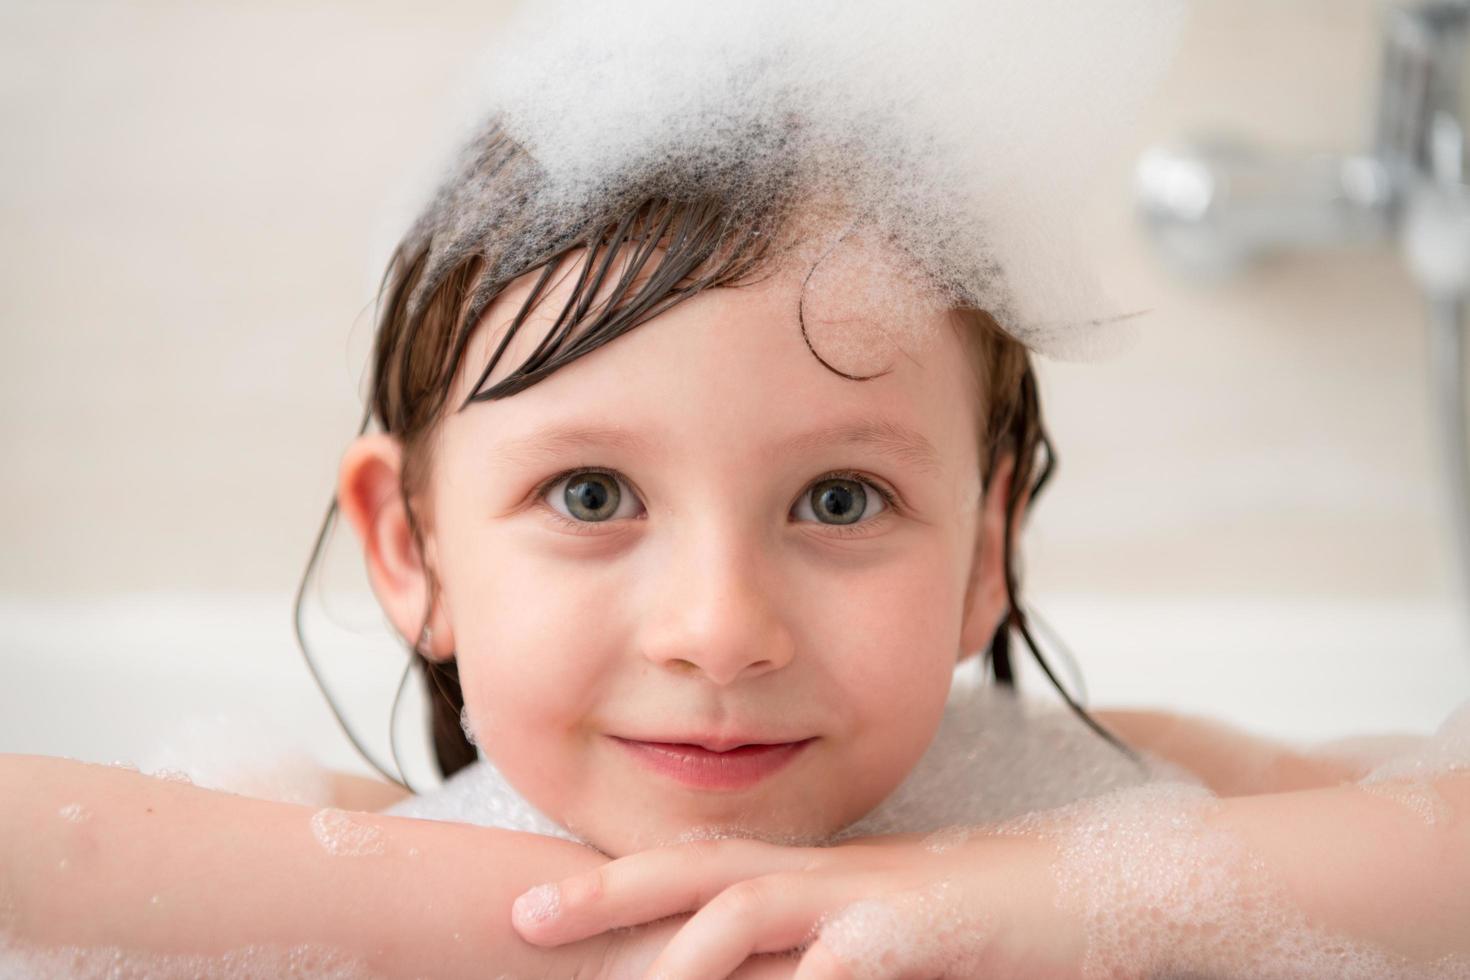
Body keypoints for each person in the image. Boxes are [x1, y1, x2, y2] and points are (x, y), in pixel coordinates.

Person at [5, 2, 1468, 976]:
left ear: (984, 551)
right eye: (589, 495)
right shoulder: (362, 851)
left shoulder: (1097, 804)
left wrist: (1000, 904)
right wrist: (535, 930)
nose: (720, 630)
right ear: (414, 547)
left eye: (838, 501)